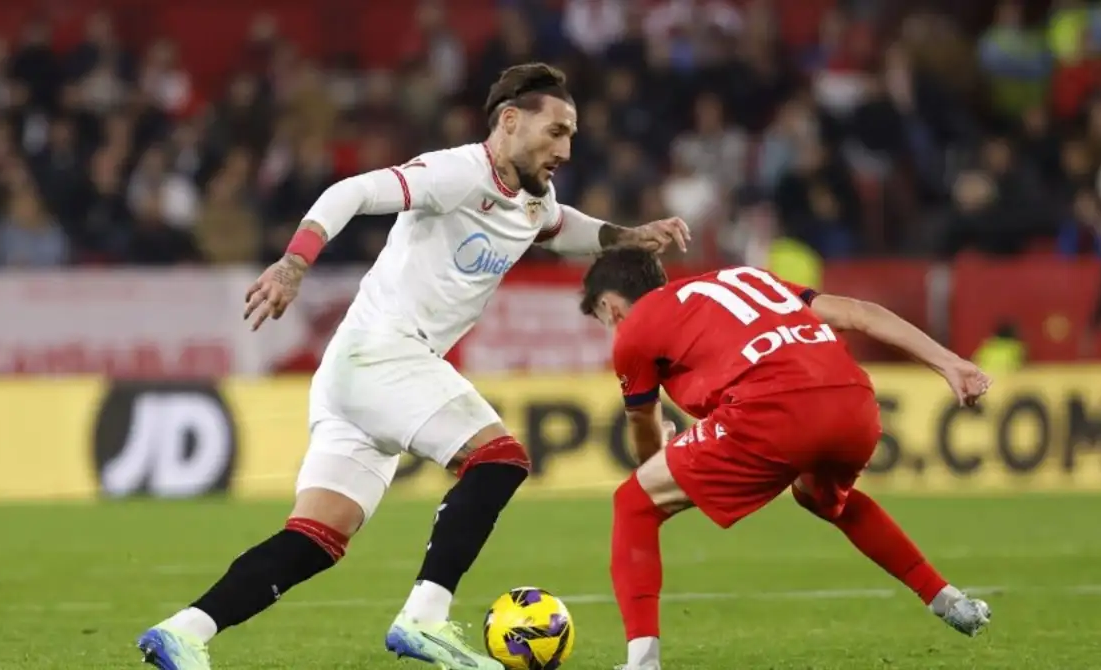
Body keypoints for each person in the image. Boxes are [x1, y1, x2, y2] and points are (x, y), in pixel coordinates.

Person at [136, 63, 690, 670]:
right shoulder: (457, 172)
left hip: (354, 373)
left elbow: (560, 227)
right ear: (509, 122)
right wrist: (295, 262)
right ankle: (424, 618)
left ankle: (183, 632)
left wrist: (627, 236)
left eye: (571, 135)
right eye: (556, 132)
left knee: (315, 539)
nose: (565, 148)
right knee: (501, 458)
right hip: (385, 352)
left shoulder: (533, 198)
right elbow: (351, 191)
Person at [578, 248, 993, 670]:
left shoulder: (635, 331)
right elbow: (859, 313)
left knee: (634, 504)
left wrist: (660, 452)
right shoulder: (747, 280)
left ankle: (642, 663)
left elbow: (645, 439)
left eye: (602, 317)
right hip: (853, 401)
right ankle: (947, 600)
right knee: (825, 499)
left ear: (610, 307)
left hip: (771, 410)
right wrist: (951, 363)